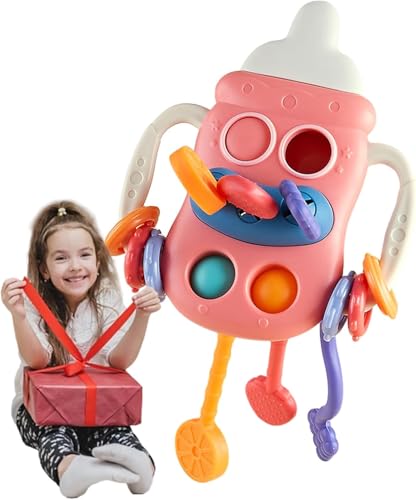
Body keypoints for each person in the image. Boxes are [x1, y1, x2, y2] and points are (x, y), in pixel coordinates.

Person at [1, 201, 161, 498]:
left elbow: (119, 362)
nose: (75, 266)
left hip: (96, 404)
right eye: (61, 258)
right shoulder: (33, 303)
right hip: (41, 409)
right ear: (44, 269)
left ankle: (141, 467)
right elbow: (38, 361)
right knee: (53, 433)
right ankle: (70, 467)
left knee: (117, 430)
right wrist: (19, 316)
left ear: (98, 263)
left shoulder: (107, 298)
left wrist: (142, 316)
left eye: (85, 255)